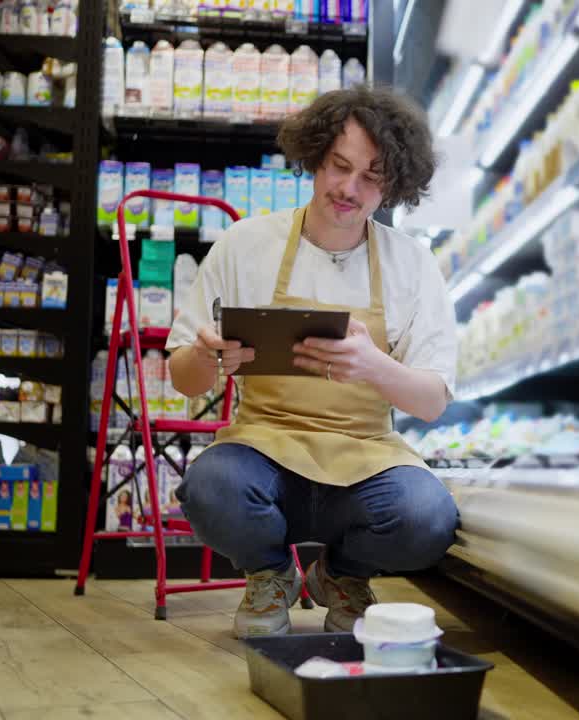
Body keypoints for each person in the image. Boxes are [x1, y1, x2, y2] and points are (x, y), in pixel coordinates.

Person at [166, 86, 459, 637]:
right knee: (208, 488)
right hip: (264, 447)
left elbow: (432, 400)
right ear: (315, 156)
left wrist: (374, 365)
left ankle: (343, 575)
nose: (348, 189)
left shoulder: (412, 264)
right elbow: (183, 379)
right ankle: (272, 573)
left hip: (366, 458)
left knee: (429, 518)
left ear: (394, 184)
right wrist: (206, 357)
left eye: (371, 177)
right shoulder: (245, 244)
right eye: (338, 166)